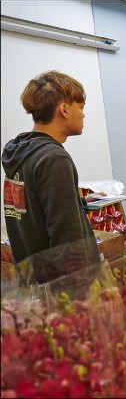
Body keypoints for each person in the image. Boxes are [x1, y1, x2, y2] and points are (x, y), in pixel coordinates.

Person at [1, 70, 101, 284]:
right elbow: (67, 239)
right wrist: (78, 294)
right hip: (61, 289)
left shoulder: (19, 154)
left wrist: (79, 203)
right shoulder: (54, 159)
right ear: (64, 109)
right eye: (81, 107)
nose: (83, 114)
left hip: (35, 279)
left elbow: (32, 210)